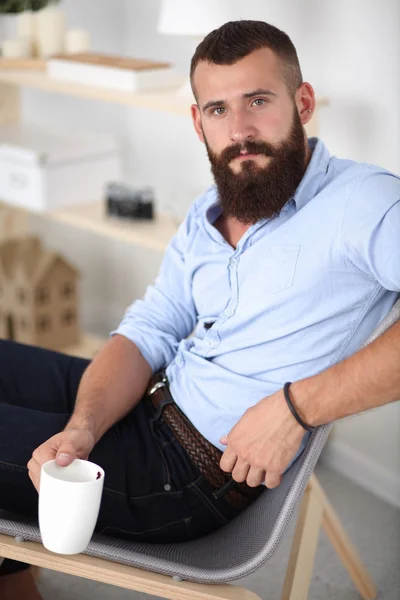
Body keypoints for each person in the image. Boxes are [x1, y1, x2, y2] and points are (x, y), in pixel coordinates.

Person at [1, 19, 399, 600]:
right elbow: (151, 328)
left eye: (258, 101)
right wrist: (83, 428)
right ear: (197, 122)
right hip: (151, 399)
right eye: (217, 109)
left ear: (303, 102)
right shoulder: (208, 211)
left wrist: (294, 409)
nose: (239, 130)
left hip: (186, 474)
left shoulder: (367, 202)